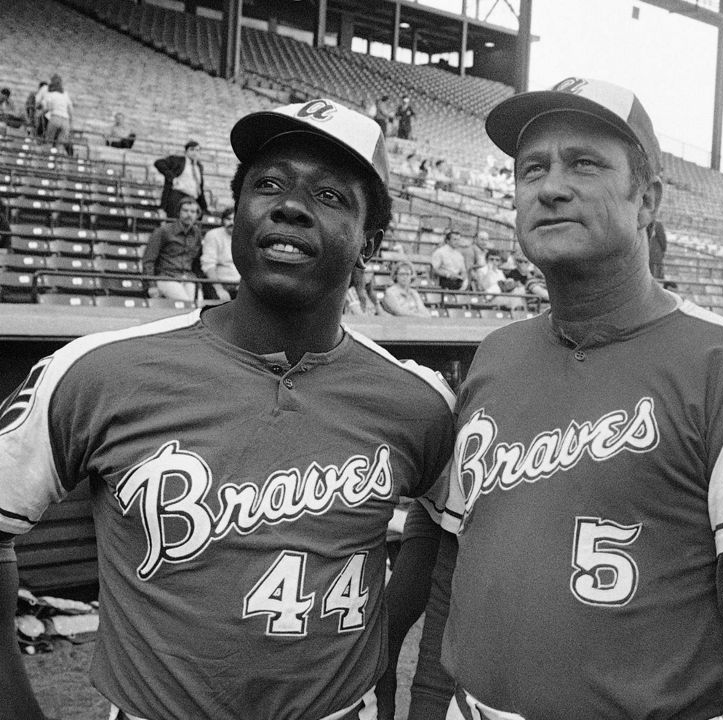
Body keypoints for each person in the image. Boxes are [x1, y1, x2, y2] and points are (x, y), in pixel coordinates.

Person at [0, 97, 456, 720]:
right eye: (268, 184)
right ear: (235, 215)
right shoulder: (96, 370)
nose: (290, 205)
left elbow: (451, 528)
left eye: (330, 196)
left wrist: (388, 636)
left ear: (369, 243)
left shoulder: (417, 401)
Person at [386, 76, 723, 720]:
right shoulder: (497, 355)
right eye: (532, 168)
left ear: (647, 200)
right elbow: (455, 564)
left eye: (584, 164)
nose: (551, 186)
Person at [142, 196, 203, 302]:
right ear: (178, 212)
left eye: (193, 212)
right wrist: (151, 285)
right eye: (185, 210)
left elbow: (196, 262)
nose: (189, 214)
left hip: (188, 277)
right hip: (166, 277)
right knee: (186, 304)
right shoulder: (163, 231)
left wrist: (199, 283)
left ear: (197, 215)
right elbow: (148, 260)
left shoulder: (197, 234)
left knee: (199, 305)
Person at [155, 140, 209, 219]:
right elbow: (159, 163)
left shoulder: (199, 166)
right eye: (192, 149)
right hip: (178, 196)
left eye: (197, 150)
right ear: (186, 151)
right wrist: (172, 178)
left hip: (193, 199)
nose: (195, 152)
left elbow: (200, 188)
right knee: (175, 221)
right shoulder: (177, 160)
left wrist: (204, 207)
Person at [200, 207, 240, 301]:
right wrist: (219, 289)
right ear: (223, 220)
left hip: (239, 285)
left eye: (234, 219)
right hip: (218, 283)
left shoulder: (244, 237)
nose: (232, 223)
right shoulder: (213, 235)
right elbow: (208, 265)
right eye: (228, 219)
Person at [39, 75, 73, 156]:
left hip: (55, 117)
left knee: (49, 141)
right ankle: (58, 162)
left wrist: (41, 113)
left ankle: (46, 158)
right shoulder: (65, 95)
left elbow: (47, 108)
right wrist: (71, 123)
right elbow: (70, 110)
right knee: (60, 145)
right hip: (66, 120)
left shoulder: (51, 95)